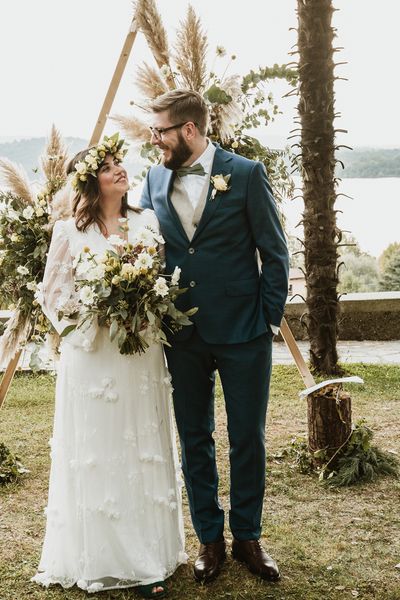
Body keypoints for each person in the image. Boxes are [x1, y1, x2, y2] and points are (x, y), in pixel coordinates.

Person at [140, 89, 289, 583]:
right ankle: (210, 539)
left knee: (248, 436)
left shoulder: (246, 174)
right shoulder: (154, 177)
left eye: (161, 130)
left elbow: (275, 252)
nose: (154, 138)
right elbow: (140, 244)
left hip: (244, 332)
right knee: (194, 437)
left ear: (188, 130)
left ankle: (248, 536)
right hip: (182, 333)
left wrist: (268, 320)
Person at [31, 137, 186, 599]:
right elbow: (52, 295)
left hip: (139, 350)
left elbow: (159, 279)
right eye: (109, 166)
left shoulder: (147, 221)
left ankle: (148, 556)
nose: (121, 170)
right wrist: (95, 314)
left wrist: (144, 304)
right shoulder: (68, 231)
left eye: (121, 163)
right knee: (99, 448)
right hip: (93, 353)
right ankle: (101, 556)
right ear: (90, 182)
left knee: (140, 444)